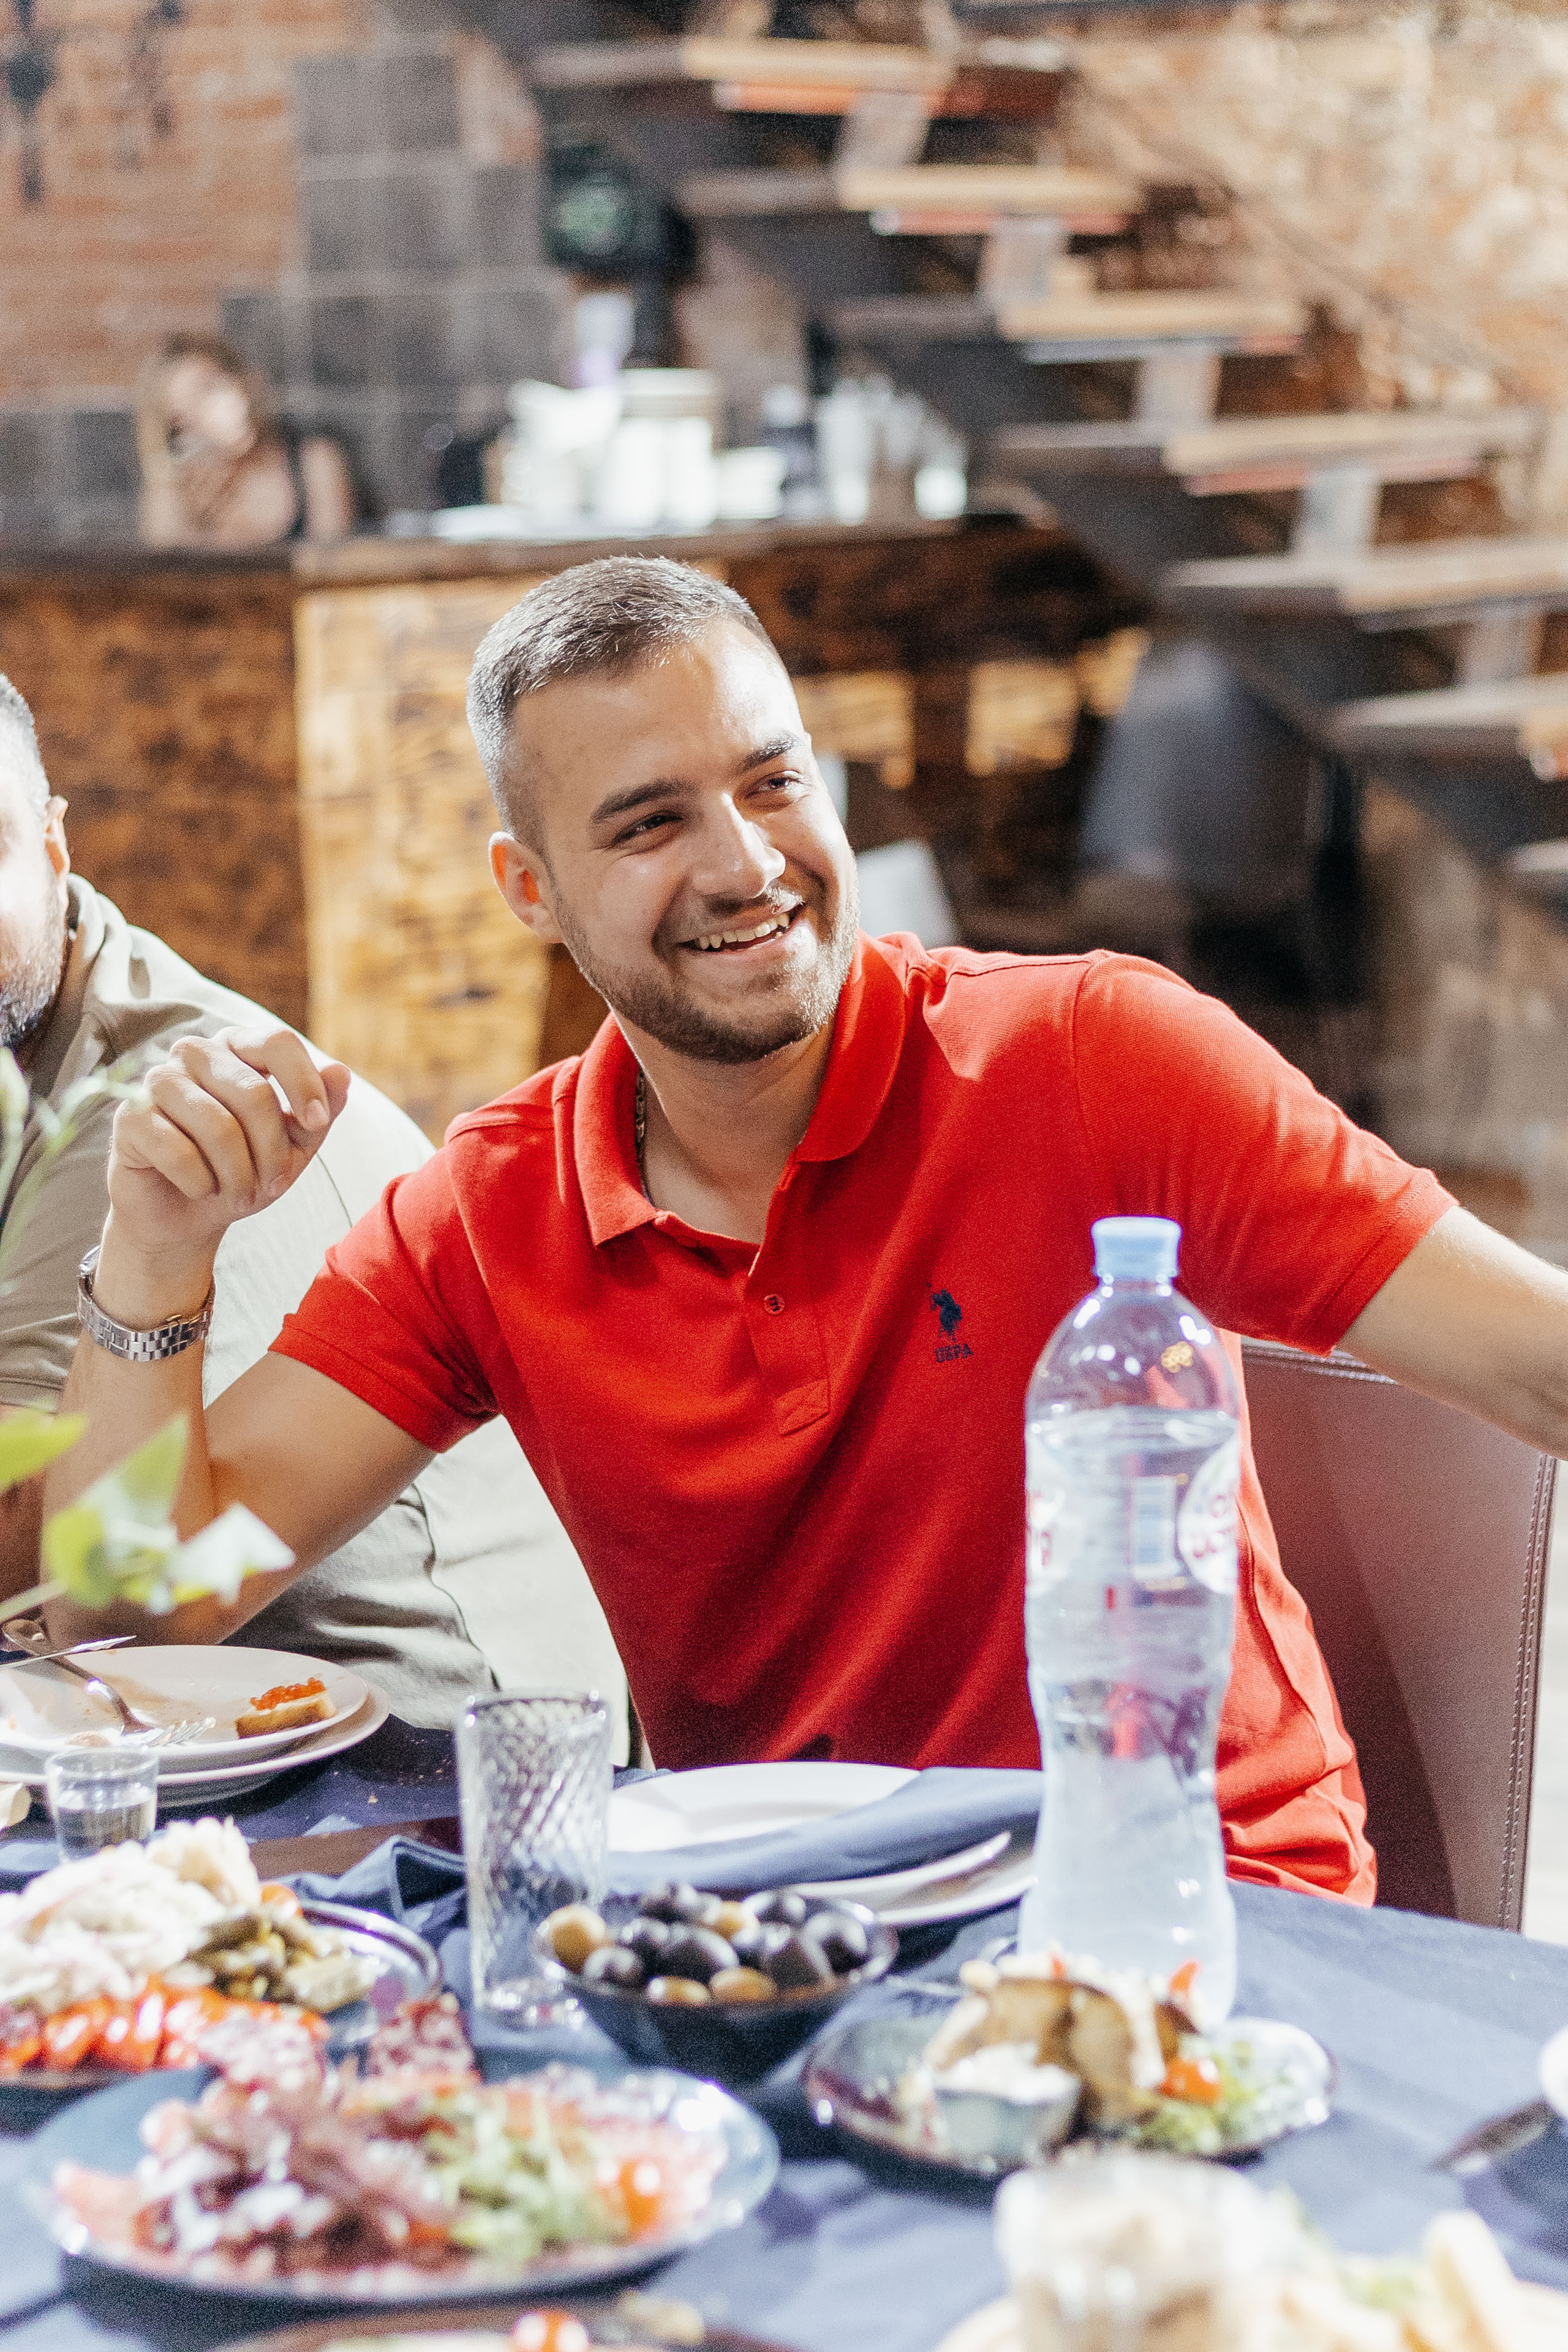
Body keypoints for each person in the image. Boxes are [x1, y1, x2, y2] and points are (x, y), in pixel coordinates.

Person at [42, 558, 1568, 1902]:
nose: (746, 862)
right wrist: (158, 1250)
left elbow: (1534, 1361)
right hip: (787, 1944)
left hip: (1194, 1909)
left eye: (771, 782)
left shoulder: (1097, 1059)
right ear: (532, 891)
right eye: (648, 822)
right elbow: (133, 1600)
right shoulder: (488, 1214)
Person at [0, 674, 624, 1733]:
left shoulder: (149, 1103)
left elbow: (30, 1554)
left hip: (434, 1775)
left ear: (55, 846)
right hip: (158, 1736)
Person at [136, 334, 356, 549]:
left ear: (245, 380)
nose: (203, 417)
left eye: (208, 390)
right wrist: (172, 495)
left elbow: (331, 562)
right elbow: (164, 567)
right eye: (182, 418)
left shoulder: (311, 462)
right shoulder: (183, 485)